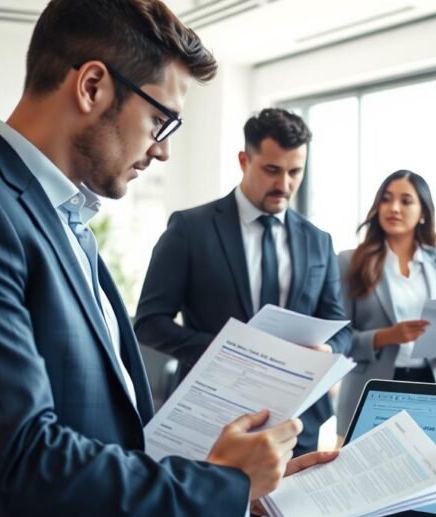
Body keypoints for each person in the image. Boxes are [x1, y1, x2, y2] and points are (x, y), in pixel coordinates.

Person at [0, 2, 336, 517]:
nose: (164, 149)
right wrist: (220, 487)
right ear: (92, 85)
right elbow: (22, 461)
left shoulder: (67, 221)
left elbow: (95, 435)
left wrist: (241, 483)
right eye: (162, 119)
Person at [135, 108, 350, 456]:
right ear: (243, 160)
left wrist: (328, 350)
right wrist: (230, 352)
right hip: (212, 418)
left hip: (297, 425)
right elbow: (149, 323)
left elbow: (340, 327)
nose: (284, 185)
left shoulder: (319, 241)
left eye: (295, 172)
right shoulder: (190, 229)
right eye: (271, 170)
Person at [336, 170, 436, 437]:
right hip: (373, 387)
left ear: (423, 212)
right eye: (386, 199)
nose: (394, 208)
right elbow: (339, 338)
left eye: (406, 201)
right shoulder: (350, 261)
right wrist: (386, 336)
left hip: (431, 386)